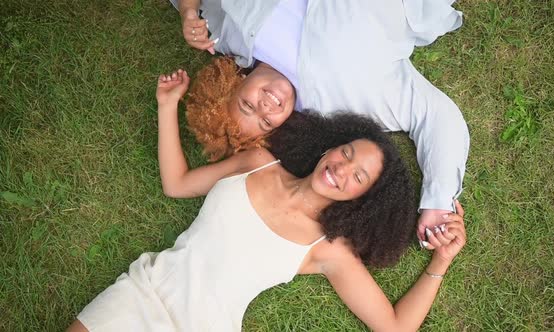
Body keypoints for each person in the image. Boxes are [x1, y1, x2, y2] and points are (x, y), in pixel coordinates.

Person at [66, 70, 467, 331]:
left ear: (364, 199)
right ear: (331, 146)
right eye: (345, 152)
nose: (342, 168)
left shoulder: (326, 250)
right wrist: (167, 106)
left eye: (358, 176)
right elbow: (178, 183)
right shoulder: (259, 163)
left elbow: (395, 328)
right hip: (142, 292)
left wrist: (440, 263)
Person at [170, 0, 470, 248]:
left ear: (235, 81)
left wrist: (188, 11)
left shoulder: (225, 31)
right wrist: (437, 203)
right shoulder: (345, 101)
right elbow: (436, 117)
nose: (264, 107)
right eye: (265, 122)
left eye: (246, 105)